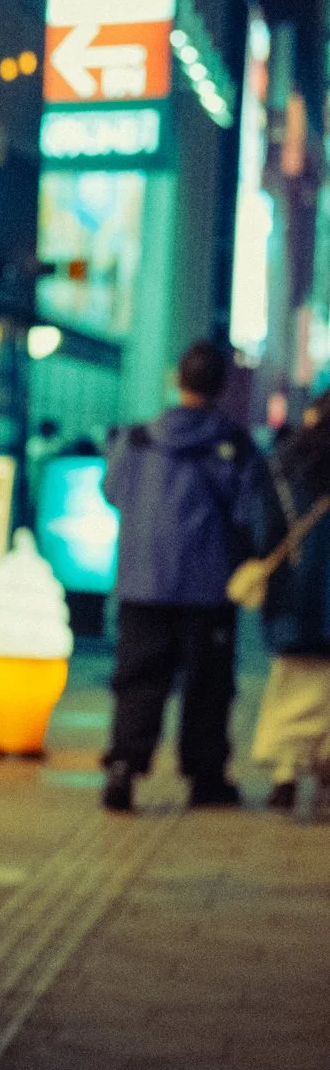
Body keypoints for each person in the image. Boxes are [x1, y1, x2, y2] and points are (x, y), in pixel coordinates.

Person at [99, 339, 266, 812]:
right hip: (209, 588)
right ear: (222, 385)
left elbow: (113, 493)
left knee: (137, 678)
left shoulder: (137, 439)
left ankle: (123, 768)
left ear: (176, 379)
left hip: (142, 583)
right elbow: (246, 511)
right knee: (208, 685)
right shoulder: (234, 445)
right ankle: (206, 777)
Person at [245, 392, 330, 808]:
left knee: (288, 684)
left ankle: (285, 774)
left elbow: (264, 530)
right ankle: (324, 765)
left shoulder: (284, 465)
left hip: (293, 596)